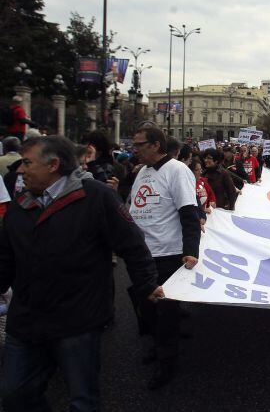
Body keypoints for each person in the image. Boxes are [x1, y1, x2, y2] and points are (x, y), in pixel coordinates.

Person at [0, 136, 162, 411]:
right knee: (15, 394)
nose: (20, 170)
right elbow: (6, 258)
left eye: (27, 163)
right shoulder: (19, 207)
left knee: (82, 400)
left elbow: (132, 245)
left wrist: (147, 285)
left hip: (77, 320)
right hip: (27, 319)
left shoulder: (96, 197)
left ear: (53, 165)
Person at [128, 126, 200, 390]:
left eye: (139, 144)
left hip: (167, 253)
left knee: (166, 312)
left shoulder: (178, 171)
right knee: (144, 307)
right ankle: (158, 346)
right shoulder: (142, 173)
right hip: (141, 254)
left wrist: (191, 250)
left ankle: (167, 362)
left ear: (156, 145)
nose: (134, 149)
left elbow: (188, 213)